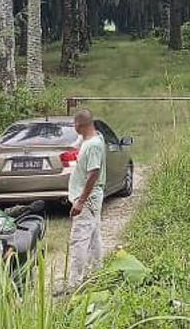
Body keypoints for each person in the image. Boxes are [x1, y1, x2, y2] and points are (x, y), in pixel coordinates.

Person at [67, 108, 105, 286]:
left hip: (88, 198)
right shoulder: (92, 137)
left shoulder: (93, 146)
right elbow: (73, 145)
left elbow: (94, 173)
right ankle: (97, 272)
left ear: (78, 125)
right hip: (94, 198)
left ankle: (75, 282)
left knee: (79, 240)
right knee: (94, 236)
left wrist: (81, 201)